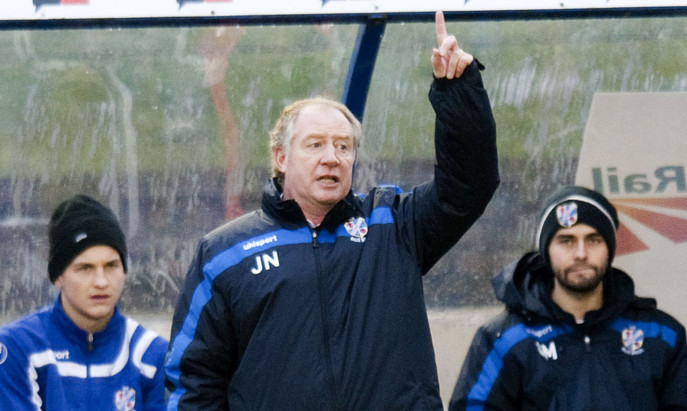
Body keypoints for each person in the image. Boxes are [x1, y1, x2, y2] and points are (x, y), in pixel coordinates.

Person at [165, 11, 499, 410]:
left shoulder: (392, 225)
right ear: (281, 157)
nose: (332, 157)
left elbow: (469, 186)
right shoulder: (223, 255)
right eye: (315, 144)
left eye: (343, 146)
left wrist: (457, 92)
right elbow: (192, 384)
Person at [449, 185, 687, 410]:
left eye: (593, 240)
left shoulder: (661, 335)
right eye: (566, 240)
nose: (581, 254)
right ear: (546, 251)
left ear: (610, 249)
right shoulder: (505, 338)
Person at [0, 194, 168, 410]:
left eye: (111, 266)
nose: (101, 281)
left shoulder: (152, 354)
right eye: (85, 268)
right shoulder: (16, 348)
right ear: (58, 276)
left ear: (124, 271)